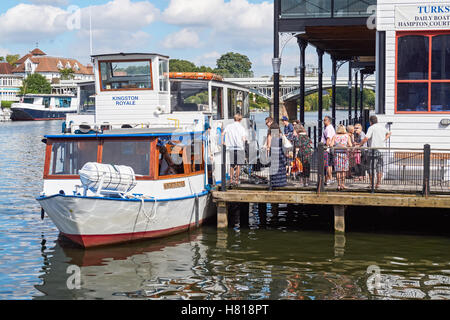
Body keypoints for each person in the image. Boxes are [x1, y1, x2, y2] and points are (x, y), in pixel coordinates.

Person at [360, 115, 392, 189]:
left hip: (373, 150)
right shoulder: (382, 127)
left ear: (370, 122)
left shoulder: (371, 128)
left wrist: (359, 145)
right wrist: (384, 139)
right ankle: (378, 184)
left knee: (371, 168)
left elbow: (366, 138)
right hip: (382, 150)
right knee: (379, 167)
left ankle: (372, 184)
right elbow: (389, 133)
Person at [223, 113, 248, 185]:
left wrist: (223, 142)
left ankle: (231, 180)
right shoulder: (242, 128)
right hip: (239, 148)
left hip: (231, 147)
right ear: (240, 120)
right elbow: (243, 138)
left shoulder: (228, 126)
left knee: (232, 165)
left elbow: (223, 134)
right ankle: (236, 180)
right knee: (239, 165)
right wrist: (245, 141)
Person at [331, 125, 352, 190]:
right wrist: (346, 146)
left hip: (337, 154)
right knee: (343, 171)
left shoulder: (335, 136)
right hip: (344, 154)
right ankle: (343, 184)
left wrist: (336, 146)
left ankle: (338, 185)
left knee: (338, 171)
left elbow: (331, 145)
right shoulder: (347, 136)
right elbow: (350, 145)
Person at [268, 122, 287, 188]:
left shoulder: (271, 135)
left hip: (273, 153)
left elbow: (269, 145)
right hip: (280, 152)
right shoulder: (281, 135)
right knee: (281, 168)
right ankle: (282, 183)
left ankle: (274, 183)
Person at [321, 116, 336, 185]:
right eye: (323, 120)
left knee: (326, 165)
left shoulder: (328, 128)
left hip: (327, 149)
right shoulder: (330, 127)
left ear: (329, 121)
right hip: (329, 149)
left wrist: (325, 147)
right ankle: (329, 179)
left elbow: (328, 138)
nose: (324, 121)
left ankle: (329, 179)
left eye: (325, 120)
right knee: (329, 165)